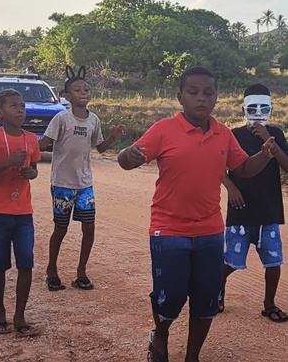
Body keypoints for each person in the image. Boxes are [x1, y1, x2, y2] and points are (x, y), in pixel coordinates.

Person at [117, 66, 279, 362]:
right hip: (168, 230)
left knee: (206, 300)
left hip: (210, 232)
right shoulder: (164, 129)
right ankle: (161, 335)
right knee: (171, 298)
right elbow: (126, 160)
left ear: (217, 97)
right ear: (180, 97)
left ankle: (193, 356)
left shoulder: (223, 134)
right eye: (193, 93)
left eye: (208, 93)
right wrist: (129, 154)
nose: (201, 99)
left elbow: (243, 169)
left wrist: (265, 155)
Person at [39, 66, 125, 292]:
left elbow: (99, 148)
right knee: (61, 228)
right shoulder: (61, 119)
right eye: (77, 90)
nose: (83, 92)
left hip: (85, 183)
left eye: (86, 89)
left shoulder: (93, 120)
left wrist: (112, 137)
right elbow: (43, 144)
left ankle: (81, 272)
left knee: (89, 228)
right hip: (62, 184)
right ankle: (51, 270)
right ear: (67, 96)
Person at [220, 83, 288, 322]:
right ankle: (218, 292)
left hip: (268, 210)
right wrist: (230, 186)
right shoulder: (233, 135)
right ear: (243, 108)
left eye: (263, 107)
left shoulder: (277, 134)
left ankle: (269, 304)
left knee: (273, 261)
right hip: (240, 210)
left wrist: (271, 142)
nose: (258, 112)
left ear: (271, 108)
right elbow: (218, 166)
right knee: (231, 261)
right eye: (252, 107)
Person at [0, 89, 41, 337]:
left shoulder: (31, 139)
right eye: (14, 106)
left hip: (24, 213)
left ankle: (20, 315)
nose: (20, 110)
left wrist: (31, 173)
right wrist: (8, 163)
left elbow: (34, 168)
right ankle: (0, 312)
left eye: (22, 106)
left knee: (26, 263)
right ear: (0, 112)